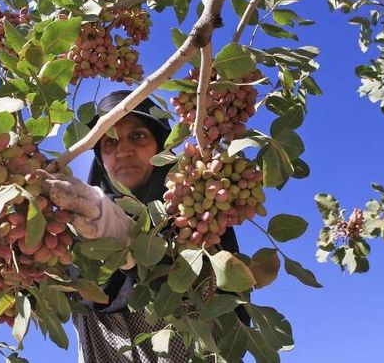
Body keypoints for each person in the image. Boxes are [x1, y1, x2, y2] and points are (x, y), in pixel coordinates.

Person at [41, 91, 243, 362]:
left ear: (161, 147)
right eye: (109, 141)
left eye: (138, 136)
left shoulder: (199, 222)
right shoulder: (70, 234)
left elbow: (195, 288)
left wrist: (126, 237)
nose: (123, 150)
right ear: (100, 156)